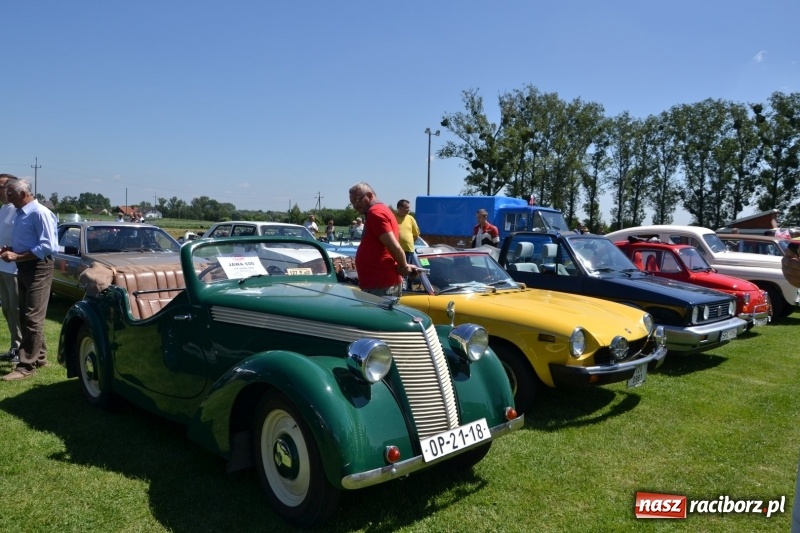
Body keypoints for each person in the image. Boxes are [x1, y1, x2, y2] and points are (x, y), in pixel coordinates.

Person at [0, 179, 59, 380]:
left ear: (24, 193)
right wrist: (12, 251)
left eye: (11, 195)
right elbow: (28, 242)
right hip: (24, 267)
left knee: (33, 316)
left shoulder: (40, 213)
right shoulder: (20, 213)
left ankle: (26, 366)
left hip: (39, 267)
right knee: (27, 315)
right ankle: (40, 357)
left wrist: (17, 256)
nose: (8, 199)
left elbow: (47, 247)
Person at [348, 182, 418, 297]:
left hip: (381, 285)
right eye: (352, 203)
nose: (355, 205)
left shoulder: (375, 212)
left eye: (357, 200)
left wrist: (404, 266)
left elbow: (394, 246)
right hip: (379, 284)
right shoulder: (381, 210)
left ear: (369, 195)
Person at [0, 175, 22, 363]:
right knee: (6, 308)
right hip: (2, 267)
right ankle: (15, 347)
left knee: (17, 309)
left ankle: (22, 349)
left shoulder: (19, 210)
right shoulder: (3, 209)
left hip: (15, 268)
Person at [395, 199, 420, 263]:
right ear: (400, 208)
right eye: (407, 208)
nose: (409, 210)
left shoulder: (411, 219)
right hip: (395, 250)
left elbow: (416, 235)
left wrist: (408, 243)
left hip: (408, 251)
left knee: (406, 271)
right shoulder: (392, 218)